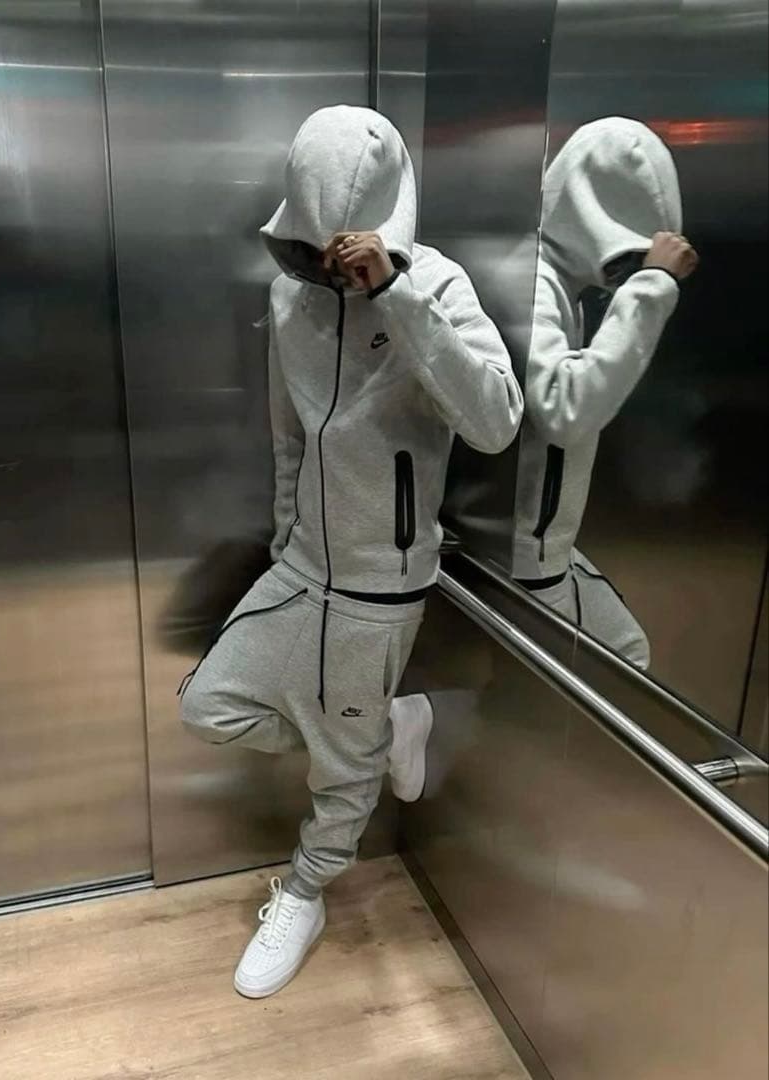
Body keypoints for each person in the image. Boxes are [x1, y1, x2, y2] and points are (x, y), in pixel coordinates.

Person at [180, 105, 523, 998]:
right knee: (208, 703)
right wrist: (284, 541)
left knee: (339, 776)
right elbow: (289, 436)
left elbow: (495, 420)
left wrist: (397, 295)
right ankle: (382, 733)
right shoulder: (287, 295)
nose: (327, 261)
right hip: (303, 566)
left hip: (383, 579)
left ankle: (305, 891)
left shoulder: (436, 285)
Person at [512, 117, 699, 667]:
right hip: (526, 556)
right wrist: (653, 286)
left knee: (621, 655)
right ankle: (418, 713)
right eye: (625, 258)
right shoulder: (536, 283)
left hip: (541, 547)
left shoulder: (553, 279)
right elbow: (564, 409)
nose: (623, 275)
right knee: (621, 660)